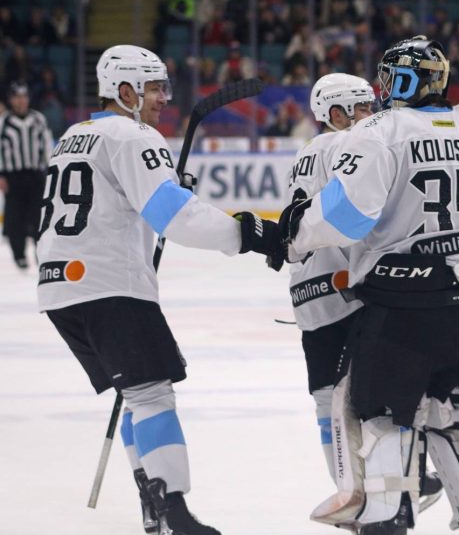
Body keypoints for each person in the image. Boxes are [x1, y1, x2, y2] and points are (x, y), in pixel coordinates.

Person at [279, 36, 459, 535]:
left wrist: (293, 237)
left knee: (385, 416)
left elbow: (346, 217)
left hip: (404, 307)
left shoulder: (381, 130)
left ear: (405, 81)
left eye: (389, 78)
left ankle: (386, 516)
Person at [36, 45, 282, 535]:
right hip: (109, 284)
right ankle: (173, 513)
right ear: (125, 91)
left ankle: (155, 508)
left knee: (136, 393)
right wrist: (249, 234)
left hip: (60, 289)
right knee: (152, 394)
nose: (164, 98)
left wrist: (164, 186)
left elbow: (111, 201)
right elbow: (177, 216)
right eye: (154, 88)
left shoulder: (72, 137)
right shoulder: (133, 135)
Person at [286, 72, 376, 487]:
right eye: (362, 108)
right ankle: (378, 482)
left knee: (327, 401)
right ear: (336, 114)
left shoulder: (305, 153)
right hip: (345, 286)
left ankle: (346, 490)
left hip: (308, 290)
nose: (371, 115)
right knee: (370, 395)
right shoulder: (347, 145)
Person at [0, 82, 52, 269]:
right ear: (11, 99)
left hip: (36, 174)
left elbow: (47, 145)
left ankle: (41, 254)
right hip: (13, 176)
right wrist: (1, 175)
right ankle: (19, 255)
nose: (21, 101)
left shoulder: (38, 119)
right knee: (15, 218)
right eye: (17, 97)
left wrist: (50, 169)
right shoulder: (4, 122)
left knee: (40, 217)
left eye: (24, 96)